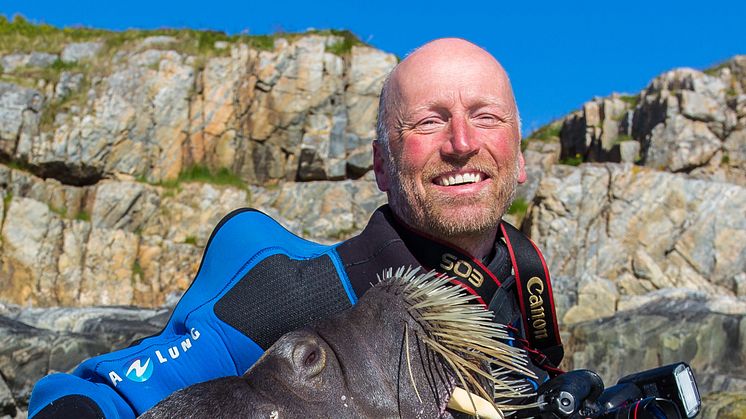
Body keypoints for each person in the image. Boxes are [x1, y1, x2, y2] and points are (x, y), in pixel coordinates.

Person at [28, 38, 562, 418]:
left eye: (486, 117)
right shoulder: (291, 295)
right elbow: (97, 395)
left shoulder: (521, 283)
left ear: (518, 159)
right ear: (380, 164)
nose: (462, 141)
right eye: (429, 121)